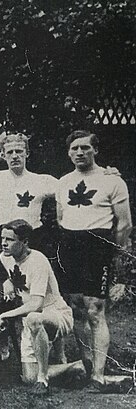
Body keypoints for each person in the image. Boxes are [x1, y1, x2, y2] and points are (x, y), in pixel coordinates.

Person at [55, 130, 132, 390]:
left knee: (95, 309)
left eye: (85, 148)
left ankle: (98, 374)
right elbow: (60, 217)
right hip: (70, 245)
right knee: (76, 307)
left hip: (97, 246)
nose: (79, 152)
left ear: (95, 150)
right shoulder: (63, 182)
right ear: (68, 152)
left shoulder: (112, 181)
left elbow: (124, 225)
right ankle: (86, 365)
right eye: (74, 148)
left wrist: (118, 263)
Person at [0, 220, 85, 395]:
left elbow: (36, 303)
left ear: (25, 242)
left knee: (33, 318)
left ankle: (43, 379)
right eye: (2, 238)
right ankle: (75, 367)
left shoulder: (38, 261)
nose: (4, 244)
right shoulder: (4, 257)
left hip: (55, 313)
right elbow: (15, 276)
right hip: (32, 317)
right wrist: (8, 282)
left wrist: (5, 315)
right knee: (28, 377)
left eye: (10, 240)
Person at [0, 133, 57, 245]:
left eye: (18, 151)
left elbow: (68, 192)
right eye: (10, 152)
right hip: (6, 240)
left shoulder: (41, 180)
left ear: (27, 153)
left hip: (33, 240)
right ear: (3, 156)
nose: (14, 156)